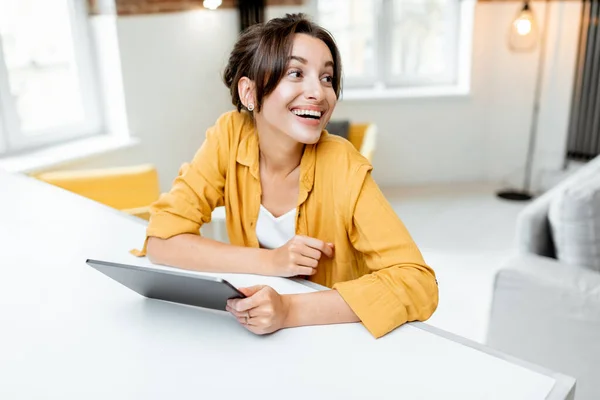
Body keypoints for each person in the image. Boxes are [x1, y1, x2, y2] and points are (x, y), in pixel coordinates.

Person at [133, 13, 438, 339]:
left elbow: (416, 281)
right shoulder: (229, 135)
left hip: (338, 337)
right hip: (254, 333)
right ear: (249, 93)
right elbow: (162, 241)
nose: (319, 94)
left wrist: (289, 310)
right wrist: (272, 261)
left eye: (326, 78)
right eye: (296, 73)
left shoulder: (343, 164)